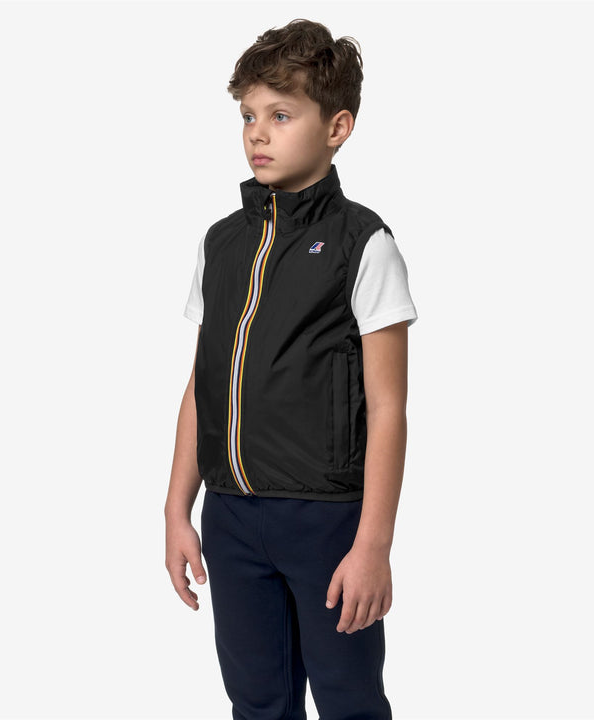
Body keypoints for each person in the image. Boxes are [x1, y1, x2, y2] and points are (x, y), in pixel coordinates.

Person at [164, 18, 418, 720]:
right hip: (232, 517)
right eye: (248, 116)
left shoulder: (363, 244)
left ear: (337, 127)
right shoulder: (222, 244)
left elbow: (388, 407)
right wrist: (177, 509)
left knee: (348, 699)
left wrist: (373, 545)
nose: (258, 133)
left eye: (281, 115)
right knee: (257, 702)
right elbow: (202, 386)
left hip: (326, 521)